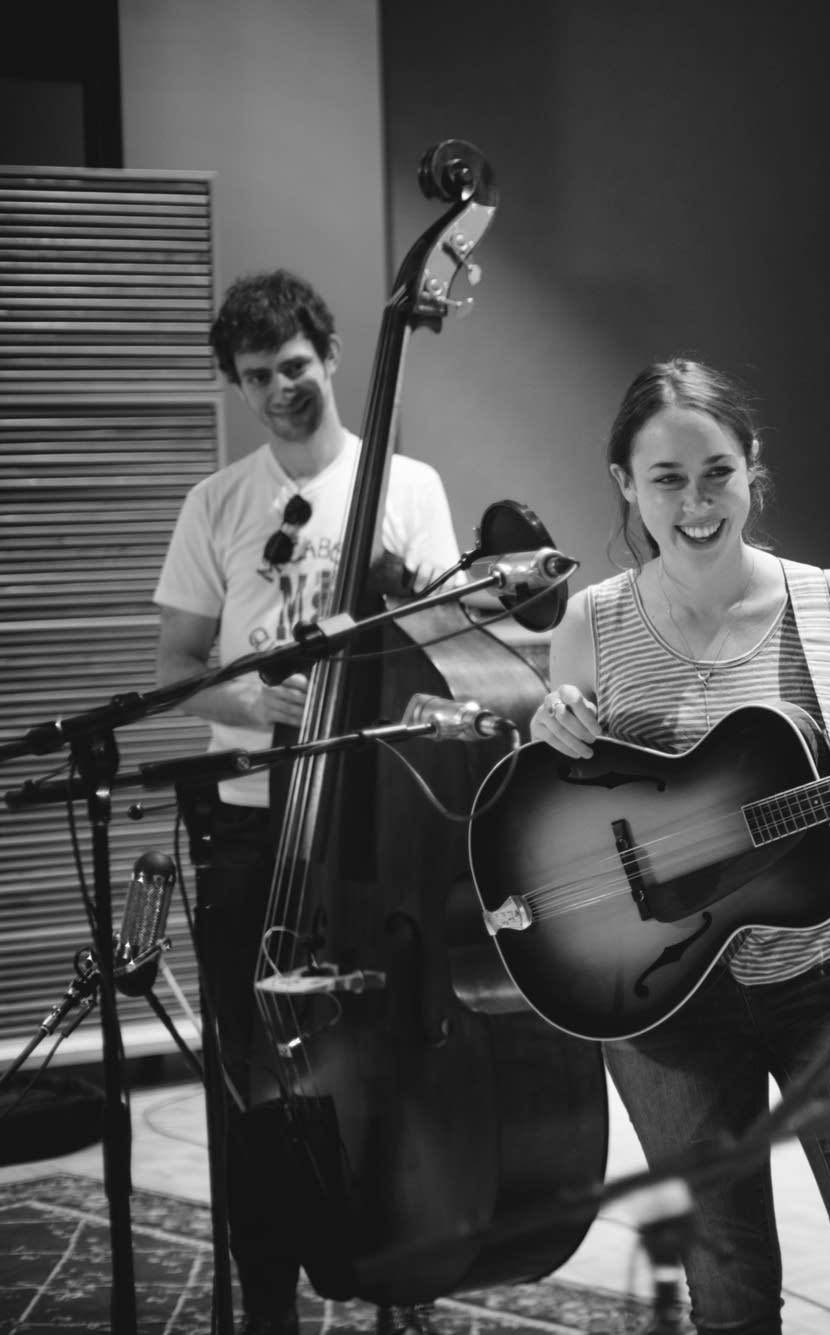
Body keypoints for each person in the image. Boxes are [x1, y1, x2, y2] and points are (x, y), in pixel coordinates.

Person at [530, 358, 830, 1333]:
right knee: (730, 1286)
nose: (696, 503)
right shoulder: (590, 623)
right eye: (666, 479)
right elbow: (554, 824)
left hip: (828, 964)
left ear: (753, 469)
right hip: (664, 999)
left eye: (717, 473)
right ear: (625, 483)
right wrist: (547, 732)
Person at [153, 269, 460, 1335]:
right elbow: (182, 657)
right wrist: (263, 695)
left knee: (389, 1051)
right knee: (256, 1069)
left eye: (293, 366)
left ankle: (403, 1271)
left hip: (372, 815)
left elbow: (442, 650)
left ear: (329, 358)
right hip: (247, 816)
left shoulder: (406, 486)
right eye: (255, 377)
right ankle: (271, 1296)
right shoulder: (218, 503)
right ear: (237, 388)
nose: (280, 388)